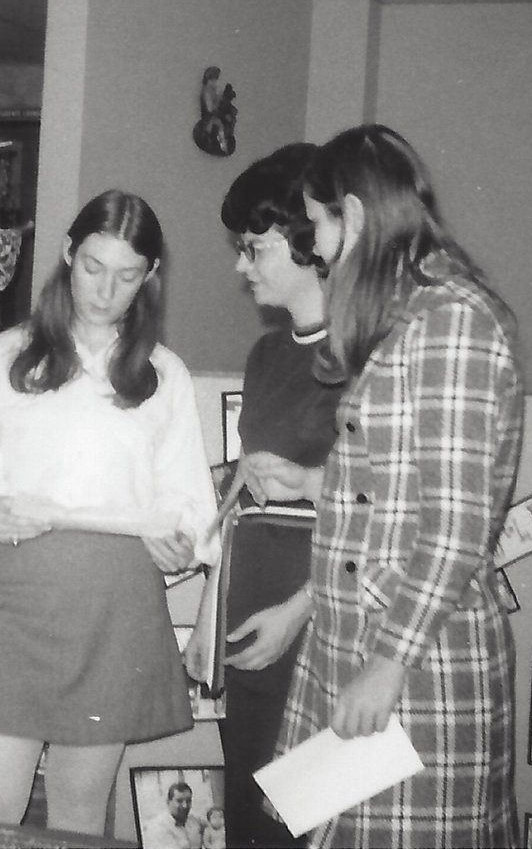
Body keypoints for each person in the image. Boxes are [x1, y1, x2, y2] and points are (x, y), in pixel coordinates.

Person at [0, 189, 218, 837]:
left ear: (149, 278)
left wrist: (181, 540)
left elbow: (191, 504)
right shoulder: (8, 355)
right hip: (18, 598)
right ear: (66, 255)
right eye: (92, 267)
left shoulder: (163, 374)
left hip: (114, 601)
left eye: (127, 275)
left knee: (82, 816)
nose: (106, 290)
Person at [278, 123, 524, 847]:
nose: (316, 250)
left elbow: (453, 528)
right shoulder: (408, 318)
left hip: (415, 664)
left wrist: (387, 664)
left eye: (318, 225)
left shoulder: (454, 322)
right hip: (359, 648)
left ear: (353, 215)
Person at [183, 145, 345, 849]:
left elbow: (392, 519)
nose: (241, 265)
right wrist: (206, 620)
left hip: (322, 626)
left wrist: (299, 614)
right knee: (251, 828)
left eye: (254, 247)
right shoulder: (266, 356)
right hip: (251, 625)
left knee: (308, 827)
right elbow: (244, 503)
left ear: (307, 240)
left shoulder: (372, 355)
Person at [141, 781, 203, 849]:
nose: (185, 805)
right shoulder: (158, 827)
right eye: (179, 801)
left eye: (188, 801)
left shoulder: (193, 820)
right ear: (168, 802)